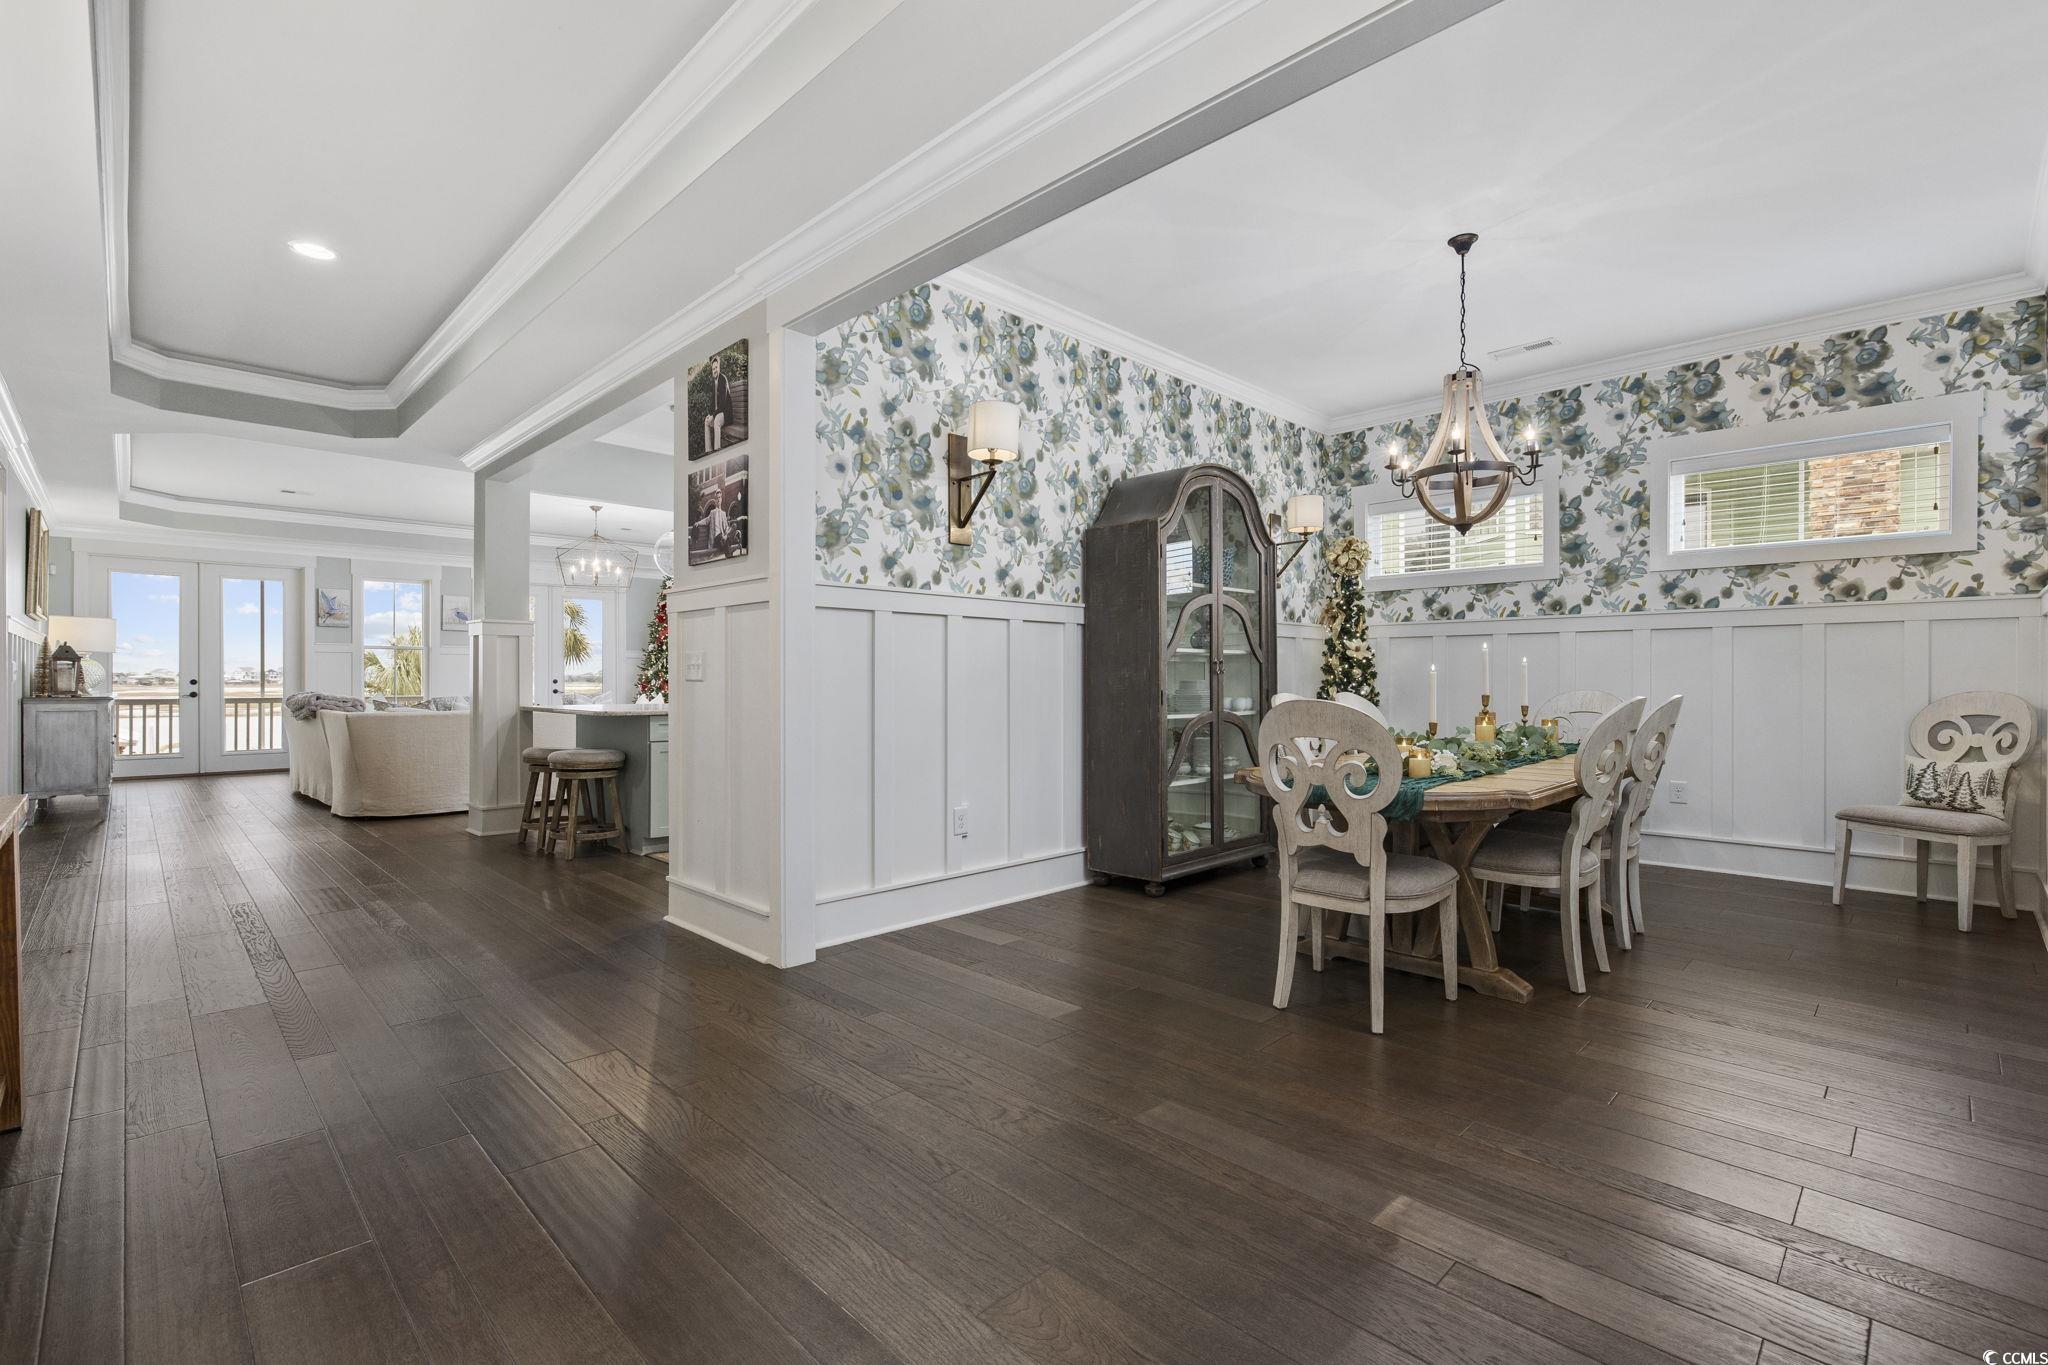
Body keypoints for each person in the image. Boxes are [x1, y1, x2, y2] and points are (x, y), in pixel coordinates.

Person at [702, 355, 732, 454]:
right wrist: (709, 415)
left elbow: (723, 404)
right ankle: (708, 450)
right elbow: (712, 402)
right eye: (713, 368)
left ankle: (717, 450)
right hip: (717, 413)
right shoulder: (713, 382)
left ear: (719, 368)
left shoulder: (722, 379)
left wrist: (713, 416)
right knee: (706, 422)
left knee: (716, 421)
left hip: (725, 413)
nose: (714, 370)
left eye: (716, 368)